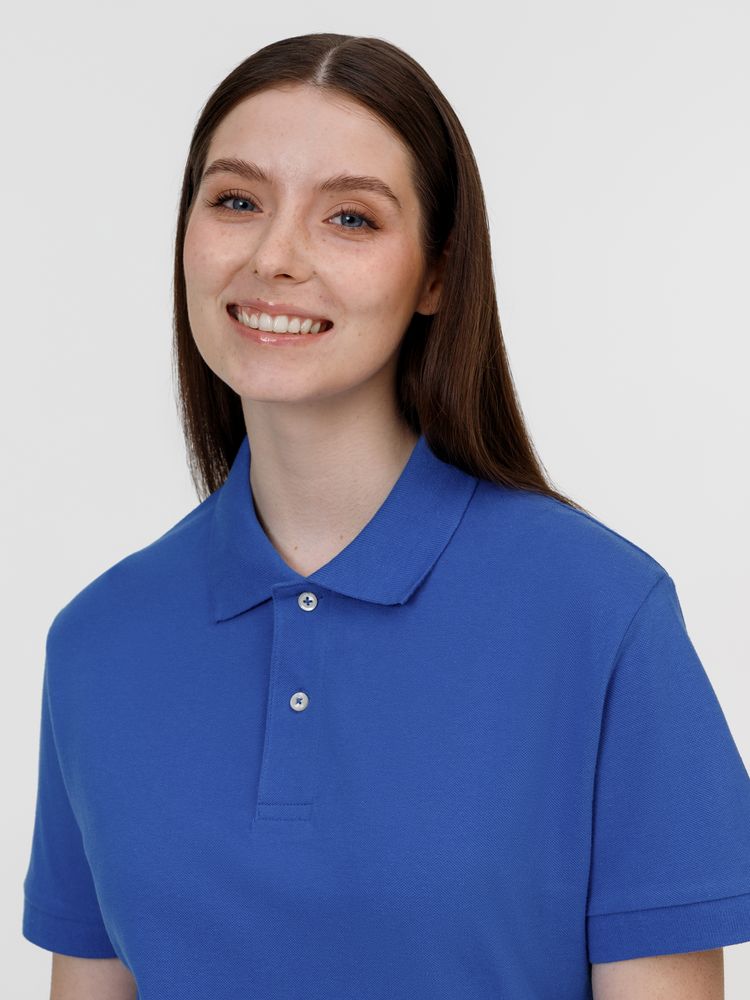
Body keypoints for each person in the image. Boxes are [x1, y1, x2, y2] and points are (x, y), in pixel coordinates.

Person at [21, 32, 750, 1000]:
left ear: (438, 274)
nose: (274, 257)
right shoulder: (98, 641)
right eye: (236, 201)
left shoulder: (600, 612)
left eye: (350, 218)